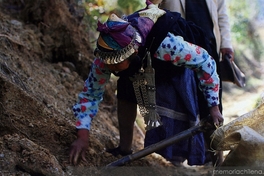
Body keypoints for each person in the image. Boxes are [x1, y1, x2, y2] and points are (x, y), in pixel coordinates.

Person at [69, 0, 224, 166]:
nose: (109, 68)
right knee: (125, 87)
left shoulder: (169, 46)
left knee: (206, 109)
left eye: (115, 63)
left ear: (132, 53)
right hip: (144, 58)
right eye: (107, 63)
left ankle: (218, 161)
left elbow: (206, 62)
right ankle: (124, 148)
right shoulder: (106, 57)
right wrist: (82, 135)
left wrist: (213, 106)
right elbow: (90, 94)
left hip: (177, 61)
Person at [160, 0, 234, 166]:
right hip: (176, 46)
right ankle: (175, 159)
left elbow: (222, 13)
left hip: (208, 42)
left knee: (212, 104)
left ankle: (216, 158)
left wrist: (227, 43)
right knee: (179, 101)